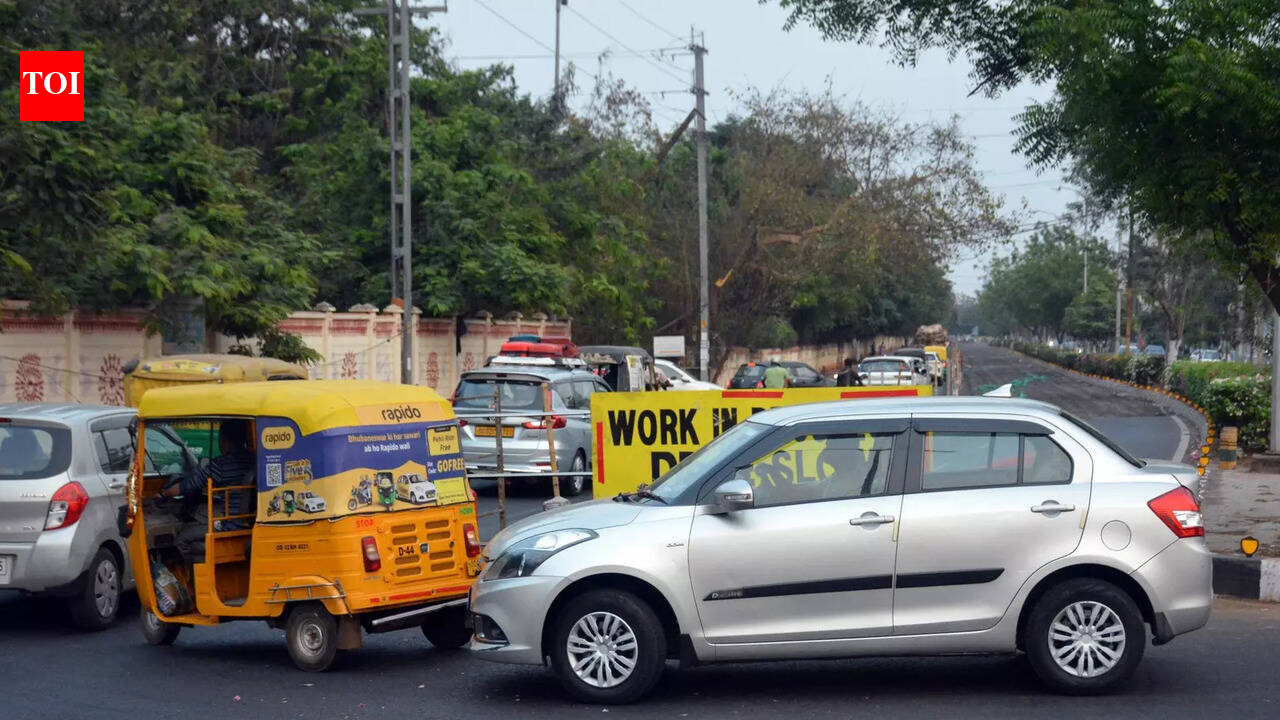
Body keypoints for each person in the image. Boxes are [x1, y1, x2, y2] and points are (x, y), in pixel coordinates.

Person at [162, 420, 256, 561]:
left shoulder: (221, 465)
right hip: (251, 524)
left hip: (230, 527)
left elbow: (189, 485)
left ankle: (191, 580)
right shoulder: (254, 459)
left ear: (224, 439)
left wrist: (164, 493)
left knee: (182, 538)